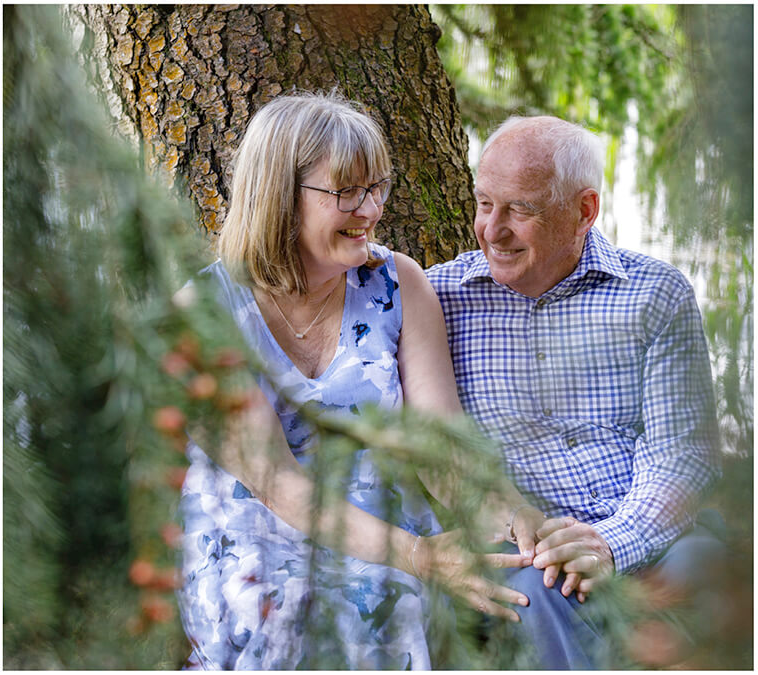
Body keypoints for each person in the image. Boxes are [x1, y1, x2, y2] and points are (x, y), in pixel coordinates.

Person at [177, 93, 543, 670]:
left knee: (396, 600)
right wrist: (419, 556)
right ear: (279, 195)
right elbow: (276, 482)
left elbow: (438, 443)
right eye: (346, 192)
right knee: (292, 610)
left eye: (377, 188)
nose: (370, 210)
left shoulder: (397, 283)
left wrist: (505, 508)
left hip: (388, 509)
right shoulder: (203, 312)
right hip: (260, 527)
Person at [425, 115, 722, 668]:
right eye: (485, 203)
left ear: (584, 211)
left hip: (651, 531)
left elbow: (683, 459)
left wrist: (612, 542)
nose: (493, 229)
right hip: (530, 546)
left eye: (522, 209)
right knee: (532, 592)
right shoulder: (438, 299)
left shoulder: (654, 295)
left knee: (709, 576)